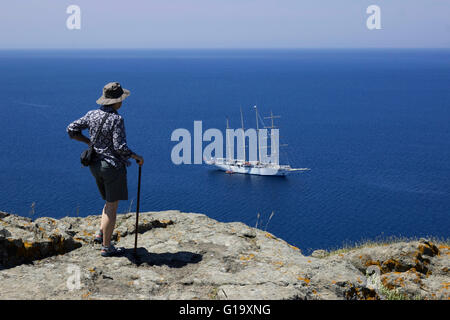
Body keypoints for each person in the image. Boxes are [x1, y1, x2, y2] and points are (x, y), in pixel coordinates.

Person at [67, 82, 144, 257]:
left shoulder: (92, 114)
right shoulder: (117, 119)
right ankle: (107, 247)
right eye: (121, 99)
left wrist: (89, 143)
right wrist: (136, 157)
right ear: (116, 101)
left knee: (108, 202)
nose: (122, 102)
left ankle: (100, 233)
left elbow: (71, 129)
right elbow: (120, 147)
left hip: (94, 165)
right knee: (112, 207)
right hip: (111, 167)